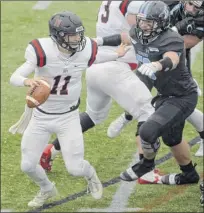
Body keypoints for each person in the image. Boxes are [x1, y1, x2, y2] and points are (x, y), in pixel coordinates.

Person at [9, 11, 129, 207]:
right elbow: (14, 77)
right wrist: (27, 80)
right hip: (41, 116)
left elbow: (94, 58)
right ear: (57, 36)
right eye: (71, 36)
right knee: (28, 165)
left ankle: (91, 175)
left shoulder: (85, 48)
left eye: (79, 34)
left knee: (75, 168)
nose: (77, 39)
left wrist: (116, 54)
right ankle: (47, 189)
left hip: (68, 117)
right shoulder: (42, 50)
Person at [40, 0, 162, 184]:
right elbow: (138, 31)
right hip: (115, 65)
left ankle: (51, 150)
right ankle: (145, 170)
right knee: (147, 110)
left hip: (96, 64)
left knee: (93, 116)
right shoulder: (133, 3)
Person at [100, 1, 200, 185]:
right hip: (164, 94)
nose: (143, 25)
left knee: (148, 130)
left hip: (182, 96)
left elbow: (173, 58)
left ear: (161, 23)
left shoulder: (172, 38)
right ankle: (189, 174)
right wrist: (99, 41)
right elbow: (125, 37)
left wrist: (157, 65)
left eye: (149, 22)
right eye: (142, 21)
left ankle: (146, 164)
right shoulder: (139, 31)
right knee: (172, 139)